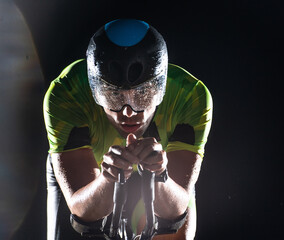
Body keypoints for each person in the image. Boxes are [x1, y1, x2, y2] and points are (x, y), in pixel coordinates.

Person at [43, 19, 212, 240]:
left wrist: (160, 173)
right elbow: (84, 212)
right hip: (89, 179)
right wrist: (106, 179)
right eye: (113, 95)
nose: (128, 112)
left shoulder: (190, 96)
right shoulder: (67, 92)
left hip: (165, 175)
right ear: (94, 89)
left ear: (161, 88)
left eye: (143, 95)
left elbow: (173, 211)